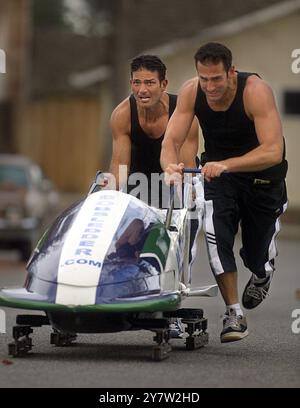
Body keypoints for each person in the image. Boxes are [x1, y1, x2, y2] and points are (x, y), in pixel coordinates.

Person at [161, 42, 288, 343]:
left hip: (262, 180)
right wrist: (169, 167)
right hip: (219, 179)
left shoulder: (255, 91)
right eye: (204, 79)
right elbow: (171, 141)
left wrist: (228, 164)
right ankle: (234, 312)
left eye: (216, 78)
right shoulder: (193, 92)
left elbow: (273, 150)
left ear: (231, 72)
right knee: (215, 236)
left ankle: (262, 271)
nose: (210, 86)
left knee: (255, 254)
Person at [109, 54, 200, 337]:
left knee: (174, 246)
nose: (142, 89)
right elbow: (119, 169)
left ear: (164, 84)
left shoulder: (184, 114)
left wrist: (180, 209)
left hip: (175, 180)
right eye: (137, 82)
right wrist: (107, 199)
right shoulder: (122, 114)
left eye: (149, 82)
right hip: (139, 185)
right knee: (126, 248)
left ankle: (170, 313)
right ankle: (119, 298)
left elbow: (185, 169)